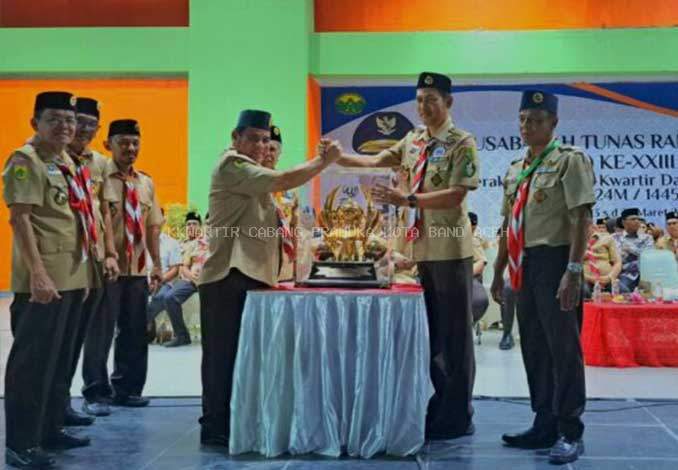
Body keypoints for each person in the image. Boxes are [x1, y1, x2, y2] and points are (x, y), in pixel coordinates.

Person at [329, 72, 480, 440]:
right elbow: (377, 159)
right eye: (419, 99)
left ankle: (458, 416)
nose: (424, 107)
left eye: (431, 99)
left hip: (450, 249)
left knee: (455, 338)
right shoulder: (413, 139)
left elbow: (457, 194)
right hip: (423, 250)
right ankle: (440, 405)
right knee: (434, 336)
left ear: (448, 103)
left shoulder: (462, 143)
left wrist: (407, 199)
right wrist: (339, 158)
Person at [197, 109, 342, 446]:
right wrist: (323, 161)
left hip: (251, 276)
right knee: (223, 356)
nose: (262, 146)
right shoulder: (232, 165)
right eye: (253, 138)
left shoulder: (255, 175)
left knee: (245, 356)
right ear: (235, 138)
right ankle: (215, 426)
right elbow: (283, 180)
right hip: (228, 276)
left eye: (266, 140)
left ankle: (238, 421)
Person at [491, 90, 594, 464]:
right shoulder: (515, 169)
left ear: (553, 123)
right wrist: (499, 269)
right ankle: (543, 422)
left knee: (563, 348)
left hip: (556, 262)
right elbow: (508, 224)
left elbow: (581, 217)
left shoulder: (570, 161)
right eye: (522, 119)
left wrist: (573, 269)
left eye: (535, 120)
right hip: (523, 264)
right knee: (533, 345)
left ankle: (570, 431)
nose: (526, 126)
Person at [3, 91, 94, 468]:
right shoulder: (26, 161)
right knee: (33, 363)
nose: (65, 127)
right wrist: (38, 274)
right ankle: (21, 443)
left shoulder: (66, 163)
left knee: (59, 361)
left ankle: (50, 428)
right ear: (34, 123)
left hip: (73, 275)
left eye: (70, 120)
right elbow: (20, 218)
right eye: (54, 119)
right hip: (44, 281)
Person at [94, 119, 163, 409]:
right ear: (108, 144)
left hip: (136, 268)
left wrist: (157, 264)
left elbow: (153, 228)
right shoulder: (99, 179)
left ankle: (129, 388)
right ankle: (96, 392)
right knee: (101, 332)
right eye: (123, 142)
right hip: (108, 270)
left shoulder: (145, 182)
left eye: (135, 142)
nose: (130, 148)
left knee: (135, 330)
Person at [62, 96, 120, 423]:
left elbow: (105, 212)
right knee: (60, 340)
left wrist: (110, 253)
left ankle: (74, 401)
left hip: (94, 262)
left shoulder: (98, 163)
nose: (83, 129)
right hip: (65, 263)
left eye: (90, 125)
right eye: (78, 122)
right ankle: (53, 407)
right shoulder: (52, 160)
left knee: (92, 331)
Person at [150, 211, 206, 347]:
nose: (191, 227)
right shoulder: (180, 244)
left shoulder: (202, 243)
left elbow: (187, 268)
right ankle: (147, 331)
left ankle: (181, 335)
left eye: (194, 224)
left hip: (189, 281)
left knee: (168, 297)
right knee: (161, 297)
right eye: (188, 224)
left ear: (200, 226)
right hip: (175, 281)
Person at [263, 125, 299, 281]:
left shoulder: (289, 189)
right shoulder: (248, 183)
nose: (269, 154)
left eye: (273, 149)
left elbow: (294, 229)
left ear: (279, 153)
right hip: (256, 266)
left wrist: (297, 265)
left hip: (284, 267)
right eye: (266, 149)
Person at [146, 208, 183, 344]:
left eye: (157, 219)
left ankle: (146, 323)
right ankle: (145, 327)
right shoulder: (141, 241)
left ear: (163, 221)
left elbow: (175, 269)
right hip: (144, 281)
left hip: (165, 282)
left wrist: (159, 280)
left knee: (161, 297)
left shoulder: (171, 243)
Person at [612, 208, 654, 293]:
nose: (637, 221)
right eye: (633, 219)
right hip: (624, 274)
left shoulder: (647, 238)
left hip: (645, 274)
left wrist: (630, 249)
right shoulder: (615, 238)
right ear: (624, 222)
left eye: (638, 219)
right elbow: (615, 258)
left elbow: (648, 256)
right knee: (622, 290)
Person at [583, 218, 621, 298]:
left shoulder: (607, 238)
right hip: (585, 279)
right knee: (584, 292)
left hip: (607, 278)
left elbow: (617, 262)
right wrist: (589, 278)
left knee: (624, 291)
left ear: (593, 226)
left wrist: (610, 277)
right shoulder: (572, 242)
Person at [469, 212, 489, 325]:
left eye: (474, 224)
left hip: (471, 275)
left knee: (479, 300)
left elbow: (481, 261)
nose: (473, 227)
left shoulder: (475, 237)